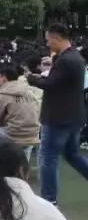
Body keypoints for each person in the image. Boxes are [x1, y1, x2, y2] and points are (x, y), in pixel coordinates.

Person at [27, 23, 88, 204]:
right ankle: (50, 197)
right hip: (73, 116)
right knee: (72, 155)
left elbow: (51, 84)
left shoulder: (65, 60)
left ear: (56, 38)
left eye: (48, 40)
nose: (47, 44)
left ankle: (49, 200)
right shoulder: (75, 57)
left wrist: (32, 79)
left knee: (48, 158)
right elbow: (59, 82)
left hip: (58, 118)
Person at [0, 65, 41, 155]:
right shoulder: (28, 91)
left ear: (3, 77)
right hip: (34, 133)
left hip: (14, 134)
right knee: (25, 151)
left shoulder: (3, 95)